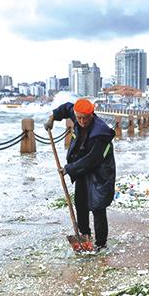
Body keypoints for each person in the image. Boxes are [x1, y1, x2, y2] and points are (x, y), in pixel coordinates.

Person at [45, 99, 116, 250]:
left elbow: (93, 159)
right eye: (79, 118)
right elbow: (65, 107)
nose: (82, 121)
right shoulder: (76, 113)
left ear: (92, 114)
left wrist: (69, 169)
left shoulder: (101, 132)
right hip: (82, 169)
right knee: (80, 203)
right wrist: (52, 118)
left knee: (98, 206)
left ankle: (101, 244)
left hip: (100, 171)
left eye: (85, 118)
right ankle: (85, 236)